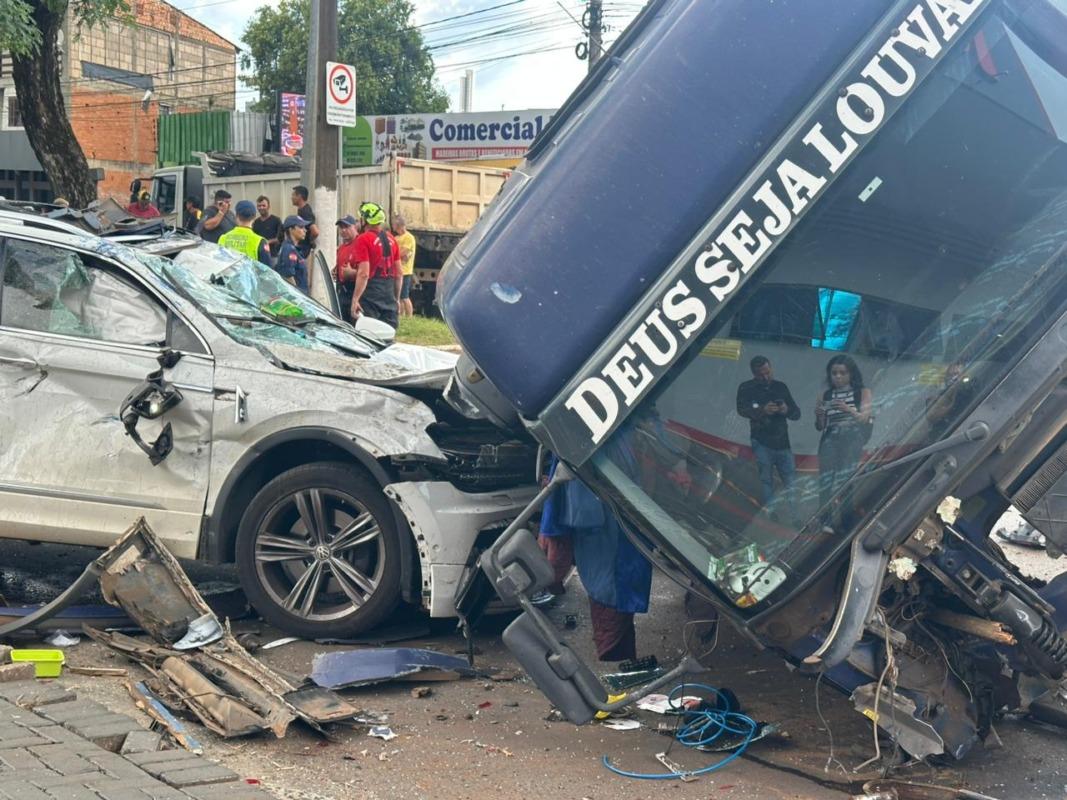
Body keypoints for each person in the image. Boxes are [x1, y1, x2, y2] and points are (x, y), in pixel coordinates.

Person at [538, 457, 652, 663]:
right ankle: (619, 652)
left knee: (612, 592)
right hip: (607, 529)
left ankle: (618, 651)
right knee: (611, 592)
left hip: (609, 531)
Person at [736, 355, 801, 523]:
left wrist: (785, 410)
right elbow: (741, 410)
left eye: (767, 372)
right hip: (761, 440)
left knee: (790, 481)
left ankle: (796, 517)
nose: (765, 377)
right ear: (754, 373)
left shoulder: (781, 387)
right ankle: (771, 513)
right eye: (761, 375)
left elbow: (796, 413)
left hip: (782, 441)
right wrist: (762, 410)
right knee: (766, 480)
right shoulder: (746, 388)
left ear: (771, 368)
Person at [815, 354, 873, 512]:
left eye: (842, 373)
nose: (838, 377)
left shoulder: (862, 392)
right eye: (834, 373)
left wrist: (848, 410)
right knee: (825, 480)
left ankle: (846, 518)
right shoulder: (825, 395)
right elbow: (820, 426)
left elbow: (864, 418)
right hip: (830, 438)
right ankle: (824, 517)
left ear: (851, 374)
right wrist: (819, 415)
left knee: (846, 480)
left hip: (851, 438)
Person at [350, 201, 402, 328]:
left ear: (365, 220)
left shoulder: (363, 239)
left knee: (366, 333)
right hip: (389, 294)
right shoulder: (392, 239)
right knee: (387, 333)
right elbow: (399, 273)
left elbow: (364, 274)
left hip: (370, 296)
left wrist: (355, 299)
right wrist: (396, 299)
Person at [218, 200, 273, 267]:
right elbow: (267, 270)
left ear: (236, 216)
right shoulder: (260, 241)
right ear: (254, 217)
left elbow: (218, 264)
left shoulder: (223, 238)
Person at [335, 214, 361, 323]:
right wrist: (336, 271)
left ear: (355, 227)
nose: (343, 230)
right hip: (342, 291)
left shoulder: (361, 244)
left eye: (347, 227)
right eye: (341, 227)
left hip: (355, 290)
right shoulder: (342, 247)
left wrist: (352, 273)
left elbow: (368, 272)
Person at [276, 215, 310, 293]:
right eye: (301, 227)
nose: (305, 230)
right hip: (296, 297)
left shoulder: (295, 249)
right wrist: (299, 296)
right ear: (291, 229)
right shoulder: (289, 249)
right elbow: (288, 277)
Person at [392, 214, 417, 317]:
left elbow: (403, 252)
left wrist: (394, 255)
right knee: (399, 296)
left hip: (405, 271)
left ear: (399, 225)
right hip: (397, 270)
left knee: (405, 296)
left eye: (394, 224)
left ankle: (410, 316)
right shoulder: (396, 238)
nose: (393, 226)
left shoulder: (409, 238)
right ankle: (401, 315)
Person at [291, 185, 319, 257]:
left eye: (293, 195)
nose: (291, 197)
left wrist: (310, 240)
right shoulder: (301, 209)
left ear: (299, 196)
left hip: (303, 248)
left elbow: (315, 232)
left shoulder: (305, 212)